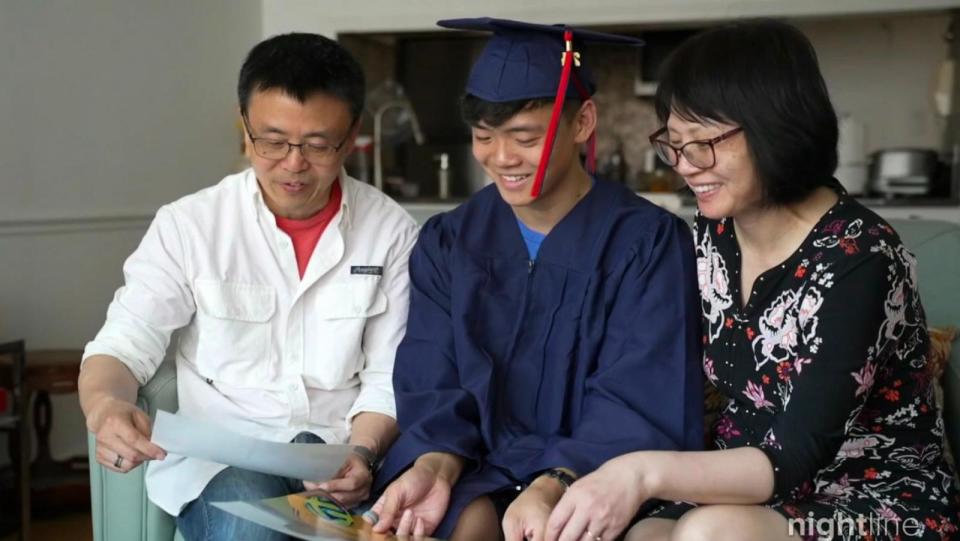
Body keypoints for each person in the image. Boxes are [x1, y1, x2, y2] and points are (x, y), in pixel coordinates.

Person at [543, 19, 960, 541]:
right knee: (639, 535)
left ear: (775, 126)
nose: (687, 167)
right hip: (738, 483)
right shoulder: (714, 232)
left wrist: (640, 472)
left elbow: (795, 454)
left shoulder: (862, 256)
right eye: (674, 144)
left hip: (874, 496)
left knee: (710, 532)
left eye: (705, 143)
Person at [367, 17, 703, 541]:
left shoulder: (647, 242)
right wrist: (435, 464)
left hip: (600, 470)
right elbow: (433, 375)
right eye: (484, 137)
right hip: (480, 467)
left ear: (583, 122)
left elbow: (641, 388)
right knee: (462, 522)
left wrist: (556, 479)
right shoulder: (450, 242)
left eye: (525, 137)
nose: (501, 158)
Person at [77, 33, 419, 541]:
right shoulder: (191, 225)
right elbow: (124, 344)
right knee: (248, 530)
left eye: (318, 144)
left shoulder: (391, 232)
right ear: (244, 128)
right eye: (273, 141)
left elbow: (391, 374)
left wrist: (363, 451)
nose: (293, 163)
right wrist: (106, 409)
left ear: (351, 137)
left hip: (339, 455)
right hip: (222, 458)